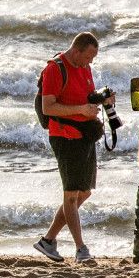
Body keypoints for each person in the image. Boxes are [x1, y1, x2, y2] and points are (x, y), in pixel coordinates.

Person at [35, 32, 111, 264]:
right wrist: (81, 110)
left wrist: (102, 99)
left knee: (84, 192)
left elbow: (85, 95)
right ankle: (81, 249)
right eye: (88, 57)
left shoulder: (83, 67)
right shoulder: (55, 69)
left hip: (84, 134)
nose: (90, 63)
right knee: (71, 195)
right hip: (64, 136)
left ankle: (48, 241)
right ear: (76, 50)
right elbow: (49, 108)